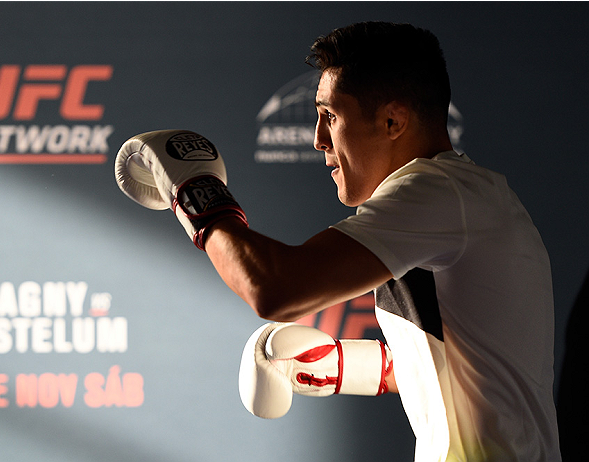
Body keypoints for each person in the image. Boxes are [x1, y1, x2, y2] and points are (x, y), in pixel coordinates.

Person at [115, 21, 561, 462]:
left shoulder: (440, 193)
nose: (317, 139)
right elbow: (479, 367)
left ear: (392, 120)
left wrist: (196, 191)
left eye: (330, 116)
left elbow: (275, 288)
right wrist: (347, 365)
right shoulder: (457, 201)